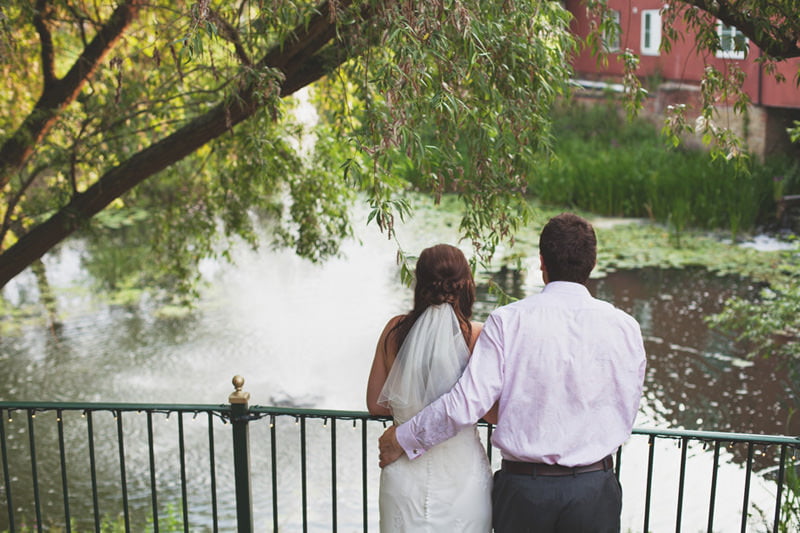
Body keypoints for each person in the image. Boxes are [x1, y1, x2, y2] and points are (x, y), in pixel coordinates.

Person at [378, 213, 647, 533]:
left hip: (526, 494)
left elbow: (466, 404)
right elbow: (626, 406)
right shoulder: (626, 327)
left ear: (542, 262)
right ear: (592, 262)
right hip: (595, 489)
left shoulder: (508, 321)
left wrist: (404, 437)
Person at [366, 243, 494, 532]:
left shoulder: (394, 330)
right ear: (466, 285)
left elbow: (376, 404)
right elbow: (489, 408)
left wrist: (409, 402)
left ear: (420, 283)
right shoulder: (476, 336)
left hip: (403, 474)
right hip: (462, 479)